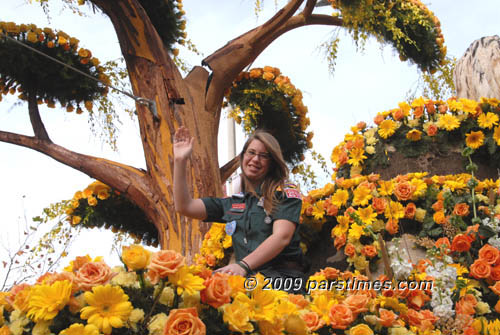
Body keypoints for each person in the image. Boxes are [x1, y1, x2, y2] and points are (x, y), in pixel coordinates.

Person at [173, 126, 306, 289]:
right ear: (243, 156)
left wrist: (242, 265)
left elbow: (282, 237)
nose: (256, 159)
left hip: (282, 281)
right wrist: (180, 161)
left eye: (264, 156)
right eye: (251, 152)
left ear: (272, 163)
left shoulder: (284, 191)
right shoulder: (233, 202)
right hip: (248, 281)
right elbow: (184, 206)